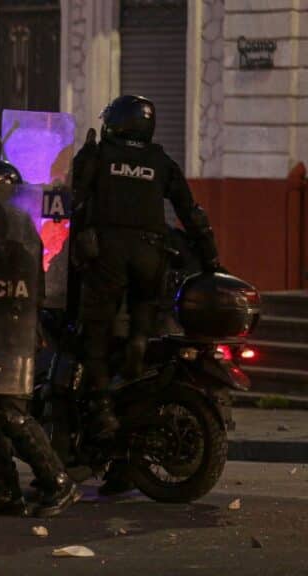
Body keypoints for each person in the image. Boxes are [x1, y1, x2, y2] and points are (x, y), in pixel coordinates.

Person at [72, 95, 222, 444]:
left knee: (93, 330)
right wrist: (212, 260)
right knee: (143, 318)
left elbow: (71, 198)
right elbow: (191, 212)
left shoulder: (100, 154)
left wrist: (84, 156)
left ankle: (100, 406)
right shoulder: (160, 161)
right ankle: (137, 349)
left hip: (108, 253)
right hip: (151, 254)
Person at [0, 160, 81, 518]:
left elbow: (23, 290)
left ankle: (59, 483)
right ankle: (6, 493)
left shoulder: (17, 233)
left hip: (11, 336)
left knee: (11, 415)